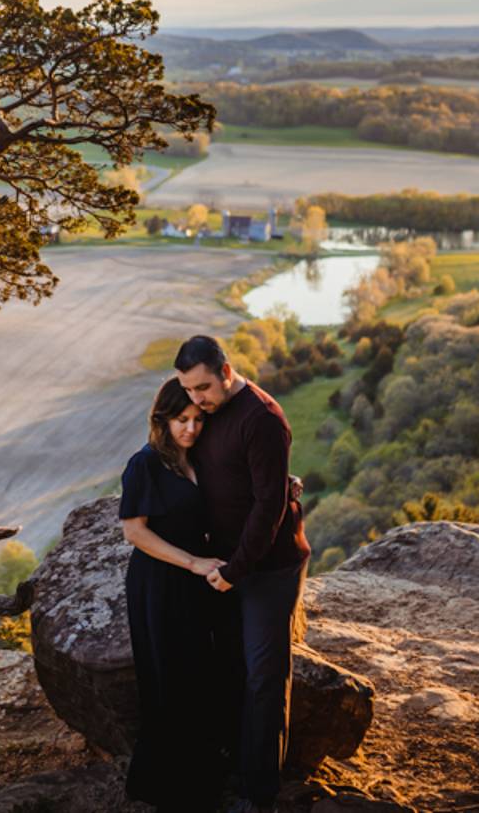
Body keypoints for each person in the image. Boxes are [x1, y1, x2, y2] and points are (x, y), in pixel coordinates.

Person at [175, 335, 311, 812]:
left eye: (204, 388)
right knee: (232, 668)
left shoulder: (263, 419)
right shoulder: (207, 413)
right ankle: (234, 767)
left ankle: (261, 793)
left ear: (227, 372)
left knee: (264, 676)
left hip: (267, 567)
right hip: (228, 565)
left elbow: (269, 505)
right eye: (188, 390)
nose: (197, 400)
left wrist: (237, 569)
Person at [118, 378, 222, 811]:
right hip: (159, 584)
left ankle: (200, 779)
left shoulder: (201, 459)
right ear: (163, 419)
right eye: (182, 420)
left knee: (199, 677)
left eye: (198, 420)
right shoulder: (145, 464)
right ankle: (166, 787)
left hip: (197, 586)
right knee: (167, 679)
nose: (191, 429)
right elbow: (134, 532)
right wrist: (194, 562)